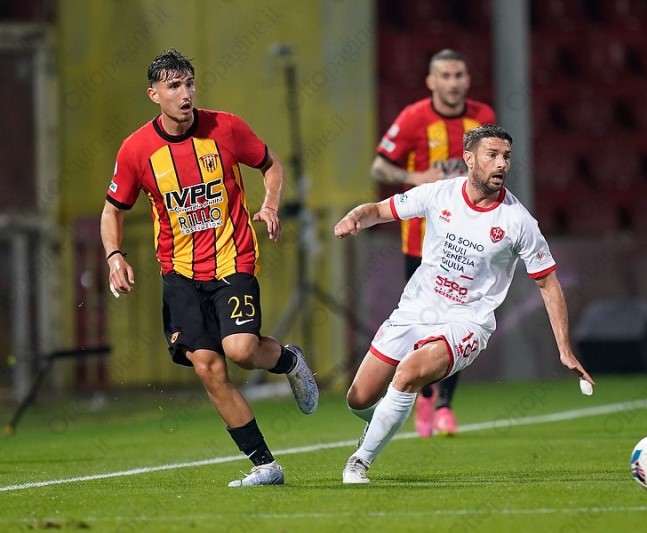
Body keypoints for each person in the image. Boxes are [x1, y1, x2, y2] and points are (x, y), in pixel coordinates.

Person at [100, 49, 319, 487]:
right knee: (208, 366)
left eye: (189, 83)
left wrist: (270, 204)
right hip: (179, 273)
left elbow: (271, 164)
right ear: (154, 94)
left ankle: (289, 361)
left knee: (240, 350)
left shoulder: (226, 127)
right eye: (174, 86)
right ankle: (265, 465)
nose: (185, 94)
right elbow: (112, 210)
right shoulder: (136, 149)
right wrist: (114, 255)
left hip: (232, 259)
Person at [334, 124, 595, 484]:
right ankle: (382, 421)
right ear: (469, 159)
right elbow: (379, 210)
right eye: (492, 155)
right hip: (415, 310)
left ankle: (359, 462)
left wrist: (564, 349)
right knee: (359, 399)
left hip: (468, 322)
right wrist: (354, 218)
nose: (501, 164)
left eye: (506, 157)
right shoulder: (439, 194)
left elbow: (548, 283)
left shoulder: (519, 221)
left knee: (408, 373)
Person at [371, 48, 496, 438]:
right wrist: (416, 176)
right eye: (445, 75)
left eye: (459, 75)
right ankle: (425, 395)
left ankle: (445, 406)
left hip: (470, 240)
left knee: (462, 322)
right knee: (426, 324)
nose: (453, 83)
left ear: (467, 80)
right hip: (421, 243)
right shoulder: (413, 118)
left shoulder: (483, 117)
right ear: (431, 81)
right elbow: (379, 166)